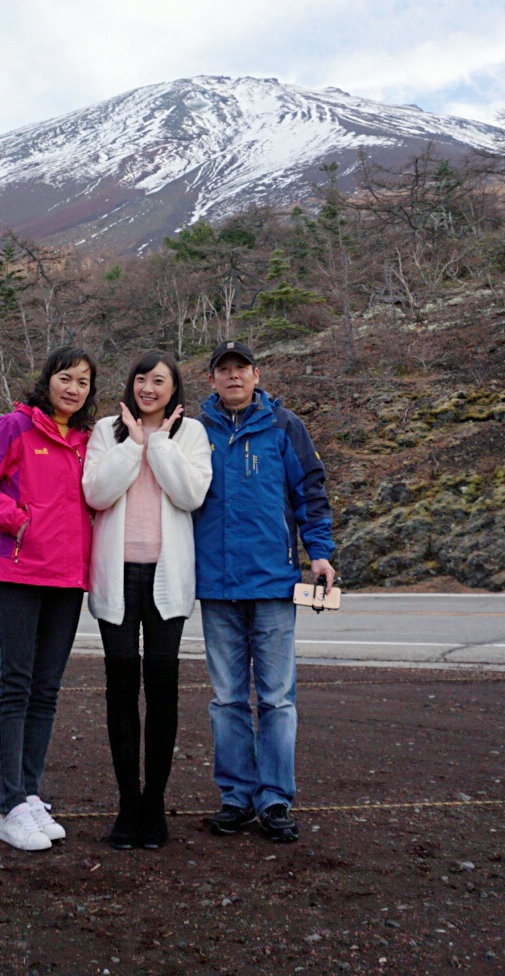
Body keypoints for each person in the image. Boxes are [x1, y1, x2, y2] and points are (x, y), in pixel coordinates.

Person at [194, 340, 335, 844]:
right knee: (228, 699)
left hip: (274, 584)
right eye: (223, 370)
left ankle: (275, 799)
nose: (233, 377)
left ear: (256, 374)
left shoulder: (284, 426)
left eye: (242, 369)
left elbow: (310, 492)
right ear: (211, 379)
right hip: (215, 588)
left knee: (276, 699)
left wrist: (319, 552)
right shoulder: (194, 430)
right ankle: (236, 798)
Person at [0, 346, 97, 852]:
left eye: (83, 382)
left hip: (67, 580)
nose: (73, 388)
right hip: (18, 574)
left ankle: (30, 794)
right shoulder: (14, 428)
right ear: (48, 381)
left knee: (46, 689)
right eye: (66, 378)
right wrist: (17, 520)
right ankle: (9, 805)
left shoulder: (86, 441)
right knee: (15, 685)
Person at [83, 350, 212, 848]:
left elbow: (190, 494)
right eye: (141, 379)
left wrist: (155, 445)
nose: (149, 388)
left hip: (167, 578)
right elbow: (96, 493)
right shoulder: (105, 431)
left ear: (174, 387)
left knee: (161, 691)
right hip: (116, 577)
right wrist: (133, 443)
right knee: (120, 689)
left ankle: (154, 801)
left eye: (159, 381)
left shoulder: (192, 434)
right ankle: (126, 804)